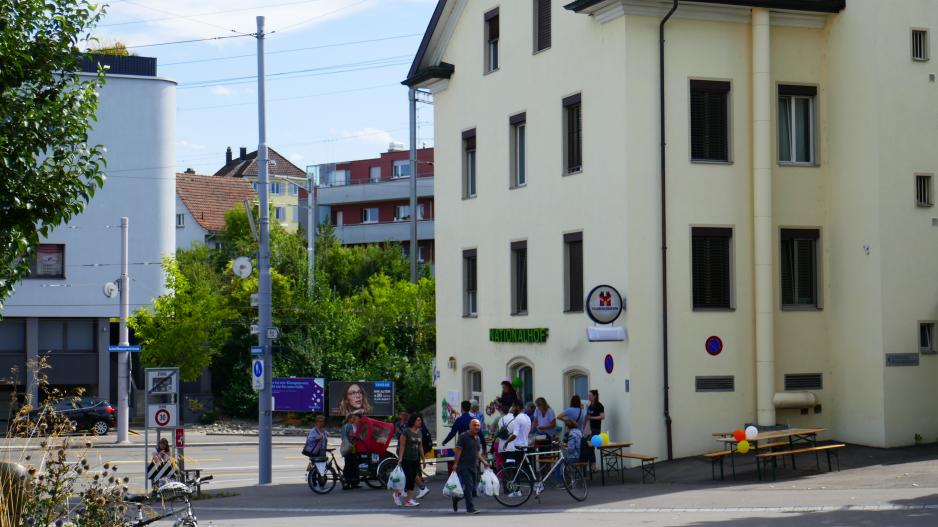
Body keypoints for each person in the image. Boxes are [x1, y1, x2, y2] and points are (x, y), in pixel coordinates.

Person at [451, 419, 489, 515]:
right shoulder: (463, 436)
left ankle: (456, 498)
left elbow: (476, 453)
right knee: (468, 486)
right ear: (470, 426)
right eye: (474, 425)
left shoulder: (477, 438)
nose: (476, 427)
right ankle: (470, 508)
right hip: (463, 466)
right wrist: (455, 464)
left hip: (474, 466)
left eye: (478, 425)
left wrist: (484, 461)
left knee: (472, 489)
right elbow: (458, 450)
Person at [394, 413, 426, 507]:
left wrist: (423, 459)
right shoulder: (406, 432)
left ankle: (406, 499)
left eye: (420, 420)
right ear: (413, 421)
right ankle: (402, 496)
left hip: (415, 459)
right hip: (406, 459)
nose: (420, 422)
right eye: (418, 420)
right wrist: (400, 459)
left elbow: (420, 446)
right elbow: (402, 446)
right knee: (408, 479)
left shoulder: (420, 432)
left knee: (411, 479)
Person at [503, 400, 532, 473]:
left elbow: (515, 435)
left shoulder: (518, 418)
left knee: (509, 465)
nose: (512, 408)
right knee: (521, 468)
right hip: (525, 445)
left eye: (513, 406)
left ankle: (513, 483)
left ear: (518, 407)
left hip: (518, 447)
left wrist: (507, 442)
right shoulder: (527, 417)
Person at [340, 412, 362, 489]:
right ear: (349, 418)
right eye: (352, 418)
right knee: (352, 465)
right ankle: (350, 482)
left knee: (348, 465)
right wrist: (357, 437)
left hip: (345, 447)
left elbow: (342, 437)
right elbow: (351, 435)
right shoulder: (349, 425)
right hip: (351, 448)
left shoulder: (343, 426)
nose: (354, 419)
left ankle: (348, 482)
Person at [586, 389, 605, 471]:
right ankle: (591, 466)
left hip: (596, 428)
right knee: (588, 446)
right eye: (588, 395)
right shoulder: (590, 406)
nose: (589, 397)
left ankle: (593, 466)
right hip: (589, 428)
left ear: (595, 396)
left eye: (590, 395)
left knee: (591, 446)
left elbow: (602, 416)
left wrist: (592, 417)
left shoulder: (599, 405)